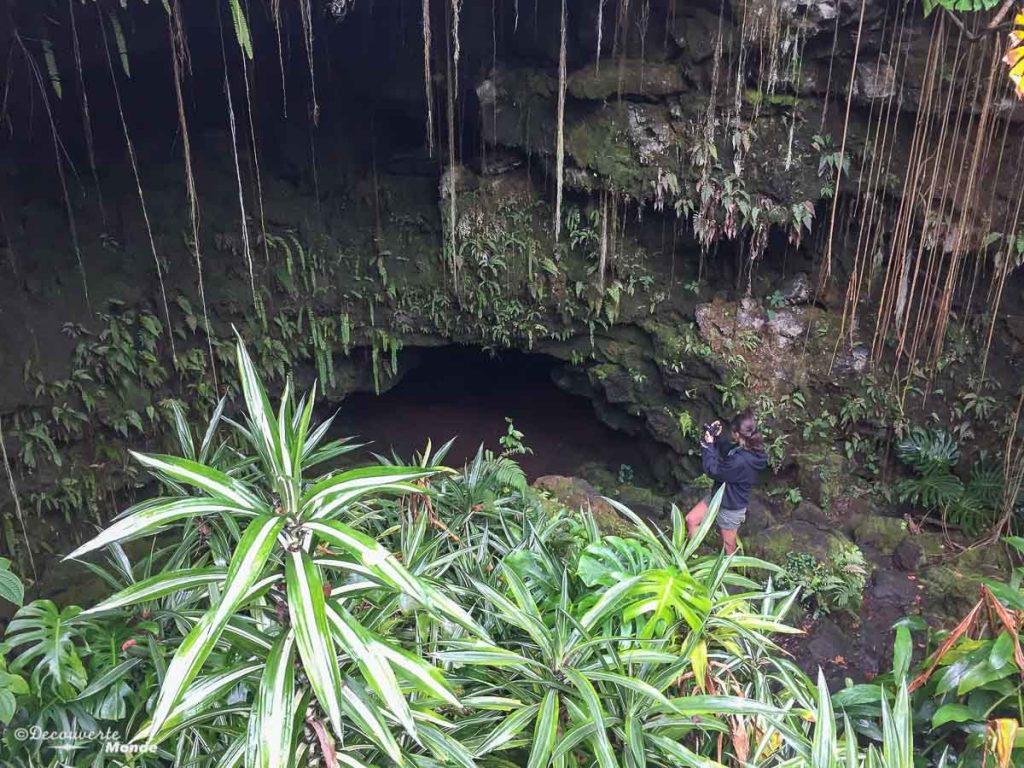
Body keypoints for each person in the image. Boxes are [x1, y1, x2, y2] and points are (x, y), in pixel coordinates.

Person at [685, 410, 767, 554]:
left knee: (729, 547)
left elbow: (713, 471)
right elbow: (728, 450)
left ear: (736, 434)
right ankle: (695, 557)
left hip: (731, 507)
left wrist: (708, 446)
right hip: (719, 496)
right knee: (691, 520)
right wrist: (716, 438)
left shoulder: (741, 461)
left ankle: (728, 572)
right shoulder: (747, 448)